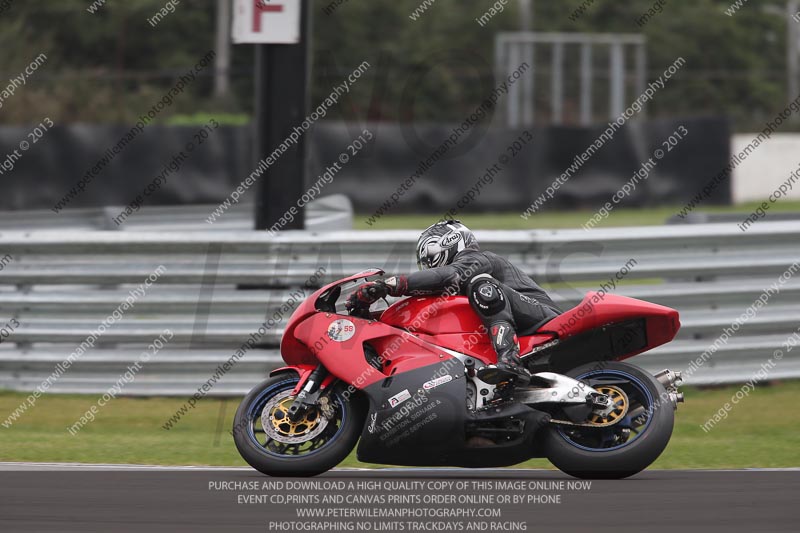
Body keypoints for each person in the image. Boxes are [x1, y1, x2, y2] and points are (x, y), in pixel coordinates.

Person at [346, 220, 561, 385]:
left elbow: (451, 275)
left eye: (429, 254)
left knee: (481, 285)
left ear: (448, 243)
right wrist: (368, 316)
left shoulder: (479, 259)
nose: (428, 265)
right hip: (520, 323)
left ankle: (510, 359)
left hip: (545, 320)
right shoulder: (452, 285)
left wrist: (390, 285)